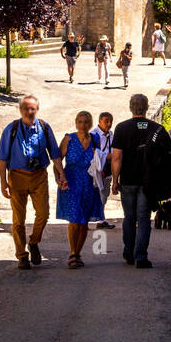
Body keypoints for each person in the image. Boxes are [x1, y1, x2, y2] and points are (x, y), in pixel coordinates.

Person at [0, 95, 67, 270]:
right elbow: (2, 159)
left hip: (38, 176)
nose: (29, 112)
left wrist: (62, 175)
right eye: (26, 108)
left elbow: (55, 154)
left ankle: (34, 242)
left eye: (32, 108)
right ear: (20, 110)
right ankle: (21, 256)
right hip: (17, 177)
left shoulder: (44, 127)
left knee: (43, 213)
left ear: (37, 109)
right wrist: (3, 183)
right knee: (18, 220)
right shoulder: (11, 129)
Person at [111, 93, 171, 269]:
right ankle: (141, 256)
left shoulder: (121, 128)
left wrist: (115, 181)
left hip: (128, 180)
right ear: (147, 108)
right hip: (149, 182)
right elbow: (167, 158)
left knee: (129, 217)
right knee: (143, 218)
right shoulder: (157, 129)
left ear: (130, 107)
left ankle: (128, 252)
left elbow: (117, 158)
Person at [57, 110, 104, 268]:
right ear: (76, 123)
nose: (82, 125)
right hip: (71, 182)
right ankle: (72, 253)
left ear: (90, 124)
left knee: (84, 222)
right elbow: (57, 161)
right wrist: (59, 178)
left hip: (89, 183)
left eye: (85, 122)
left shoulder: (95, 139)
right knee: (75, 219)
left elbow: (99, 160)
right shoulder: (68, 139)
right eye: (80, 122)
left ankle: (78, 253)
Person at [91, 112, 115, 229]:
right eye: (106, 121)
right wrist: (107, 156)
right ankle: (84, 221)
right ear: (100, 121)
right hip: (97, 169)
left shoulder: (111, 134)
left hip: (107, 169)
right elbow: (92, 152)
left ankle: (101, 220)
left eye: (111, 121)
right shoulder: (93, 134)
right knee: (95, 195)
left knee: (104, 195)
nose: (109, 124)